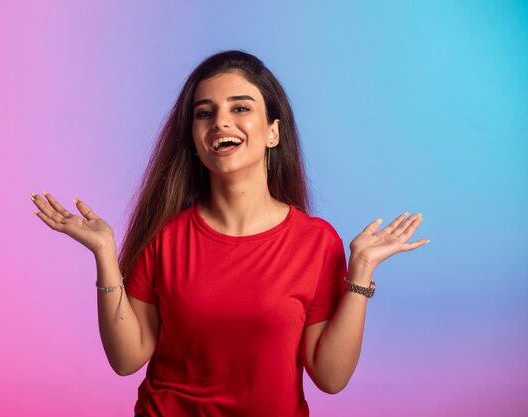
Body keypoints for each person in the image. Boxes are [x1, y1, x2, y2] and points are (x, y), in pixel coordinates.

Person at [31, 50, 428, 417]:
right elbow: (126, 359)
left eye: (240, 107)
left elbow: (330, 377)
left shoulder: (317, 243)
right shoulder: (166, 235)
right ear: (195, 141)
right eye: (205, 113)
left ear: (273, 132)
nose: (220, 121)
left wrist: (359, 273)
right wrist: (104, 253)